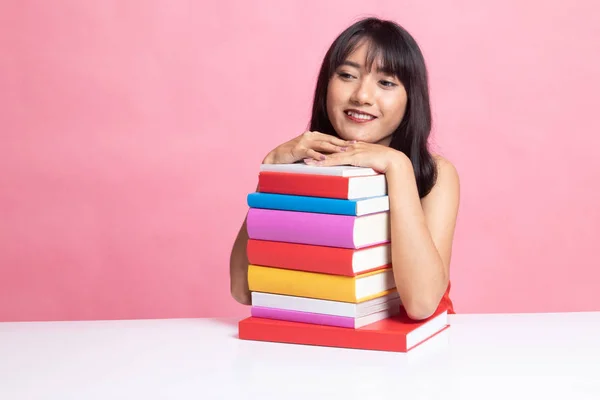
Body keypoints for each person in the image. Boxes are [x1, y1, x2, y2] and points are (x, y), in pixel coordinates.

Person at [229, 17, 460, 320]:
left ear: (410, 99)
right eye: (347, 75)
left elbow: (421, 304)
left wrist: (398, 166)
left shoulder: (434, 175)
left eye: (386, 83)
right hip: (328, 345)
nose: (362, 96)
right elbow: (244, 289)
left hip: (414, 353)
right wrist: (270, 175)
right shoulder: (304, 168)